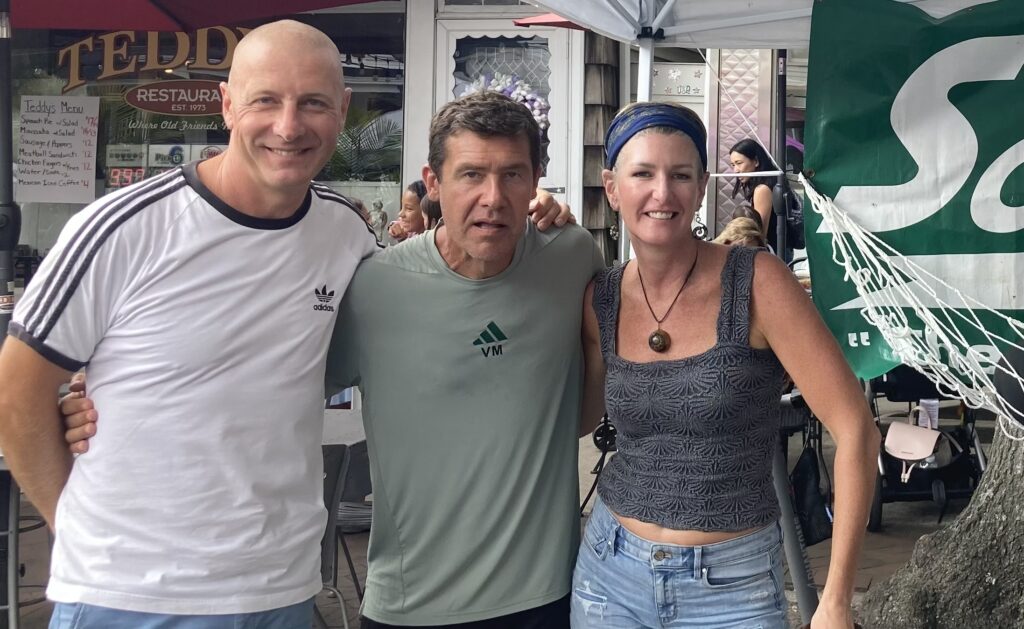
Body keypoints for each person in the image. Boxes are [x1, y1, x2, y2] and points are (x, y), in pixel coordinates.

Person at [2, 21, 571, 629]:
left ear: (342, 111)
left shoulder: (345, 235)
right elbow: (16, 392)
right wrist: (77, 528)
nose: (289, 125)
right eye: (266, 100)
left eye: (313, 103)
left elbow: (414, 318)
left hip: (282, 589)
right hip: (132, 597)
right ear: (227, 104)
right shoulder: (124, 226)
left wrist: (538, 212)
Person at [572, 102, 878, 629]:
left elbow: (856, 430)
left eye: (680, 175)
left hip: (732, 588)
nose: (662, 193)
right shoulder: (601, 297)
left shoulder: (757, 282)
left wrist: (836, 600)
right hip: (609, 574)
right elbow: (578, 419)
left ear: (701, 187)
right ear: (612, 188)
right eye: (642, 174)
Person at [324, 90, 605, 627]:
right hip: (411, 604)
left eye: (512, 175)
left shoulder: (571, 257)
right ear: (433, 182)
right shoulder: (374, 287)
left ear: (536, 180)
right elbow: (283, 399)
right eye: (471, 174)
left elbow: (584, 408)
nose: (493, 198)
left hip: (545, 597)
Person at [729, 138, 777, 244]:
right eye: (733, 165)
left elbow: (760, 235)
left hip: (771, 250)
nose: (735, 170)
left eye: (739, 163)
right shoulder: (768, 183)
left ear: (756, 161)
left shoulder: (762, 189)